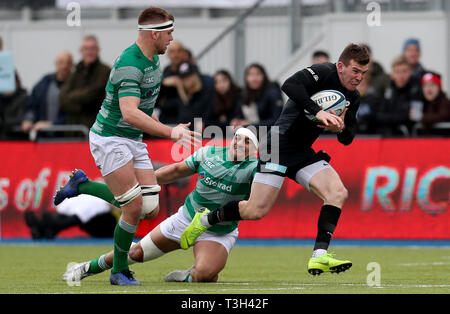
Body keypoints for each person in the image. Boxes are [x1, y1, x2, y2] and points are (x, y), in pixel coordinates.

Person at [181, 43, 372, 276]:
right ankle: (206, 219)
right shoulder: (323, 72)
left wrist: (340, 128)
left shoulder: (352, 96)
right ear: (341, 66)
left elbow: (348, 138)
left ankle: (320, 255)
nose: (359, 77)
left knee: (337, 193)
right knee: (255, 210)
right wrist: (317, 110)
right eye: (355, 71)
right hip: (278, 145)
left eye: (363, 73)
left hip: (301, 151)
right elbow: (289, 84)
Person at [53, 6, 199, 286]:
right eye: (168, 32)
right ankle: (119, 271)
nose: (171, 38)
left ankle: (82, 186)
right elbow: (130, 112)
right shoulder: (130, 63)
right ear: (153, 35)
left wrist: (156, 120)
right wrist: (170, 132)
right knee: (132, 208)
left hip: (131, 138)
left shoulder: (152, 59)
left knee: (150, 209)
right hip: (110, 138)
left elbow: (139, 109)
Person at [61, 128, 258, 284]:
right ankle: (88, 267)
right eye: (238, 138)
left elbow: (259, 200)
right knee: (137, 252)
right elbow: (176, 170)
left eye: (247, 141)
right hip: (187, 219)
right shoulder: (210, 152)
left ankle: (187, 276)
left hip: (217, 231)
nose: (240, 143)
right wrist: (144, 184)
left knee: (205, 275)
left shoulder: (253, 169)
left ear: (255, 150)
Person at [59, 35, 110, 130]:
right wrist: (82, 104)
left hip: (95, 129)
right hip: (73, 130)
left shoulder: (105, 71)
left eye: (92, 48)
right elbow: (63, 99)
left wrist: (73, 97)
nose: (89, 52)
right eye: (86, 49)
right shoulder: (75, 72)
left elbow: (94, 95)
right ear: (81, 51)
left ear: (98, 50)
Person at [21, 51, 73, 137]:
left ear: (72, 65)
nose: (64, 66)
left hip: (67, 138)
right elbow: (32, 105)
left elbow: (76, 114)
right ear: (56, 63)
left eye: (68, 63)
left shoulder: (77, 85)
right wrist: (28, 119)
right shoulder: (44, 83)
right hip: (43, 137)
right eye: (61, 62)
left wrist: (53, 124)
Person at [24, 194, 117, 239]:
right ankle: (47, 228)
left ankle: (43, 229)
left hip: (76, 204)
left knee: (66, 220)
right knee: (71, 220)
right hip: (93, 212)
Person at [374, 55, 423, 136]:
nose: (401, 76)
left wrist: (391, 117)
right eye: (397, 72)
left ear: (410, 72)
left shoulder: (416, 89)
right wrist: (400, 116)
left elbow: (414, 117)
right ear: (392, 75)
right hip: (389, 136)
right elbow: (379, 116)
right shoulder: (389, 89)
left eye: (404, 71)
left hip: (409, 137)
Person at [231, 63, 283, 128]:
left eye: (258, 74)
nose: (254, 79)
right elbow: (239, 114)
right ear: (246, 78)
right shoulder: (243, 94)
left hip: (271, 134)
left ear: (264, 76)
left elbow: (277, 120)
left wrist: (251, 124)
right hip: (252, 131)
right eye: (251, 75)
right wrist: (236, 120)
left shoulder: (273, 92)